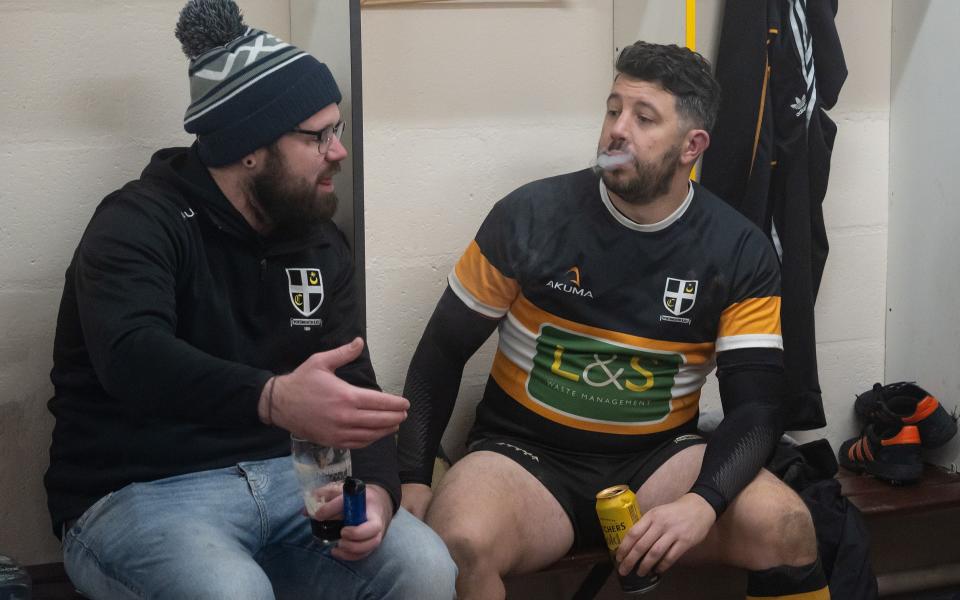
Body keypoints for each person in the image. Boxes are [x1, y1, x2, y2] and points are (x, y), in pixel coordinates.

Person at [44, 1, 456, 598]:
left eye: (336, 130)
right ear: (248, 149)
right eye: (318, 136)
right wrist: (272, 399)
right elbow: (131, 357)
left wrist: (378, 497)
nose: (338, 152)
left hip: (291, 480)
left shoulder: (317, 239)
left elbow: (353, 386)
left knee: (423, 567)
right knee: (229, 591)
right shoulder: (138, 222)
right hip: (144, 489)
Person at [398, 41, 831, 600]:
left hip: (660, 462)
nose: (616, 131)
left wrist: (704, 501)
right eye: (612, 109)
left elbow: (757, 407)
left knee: (788, 525)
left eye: (643, 117)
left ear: (691, 146)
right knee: (457, 543)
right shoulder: (530, 216)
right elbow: (439, 354)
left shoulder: (739, 250)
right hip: (524, 460)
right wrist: (411, 475)